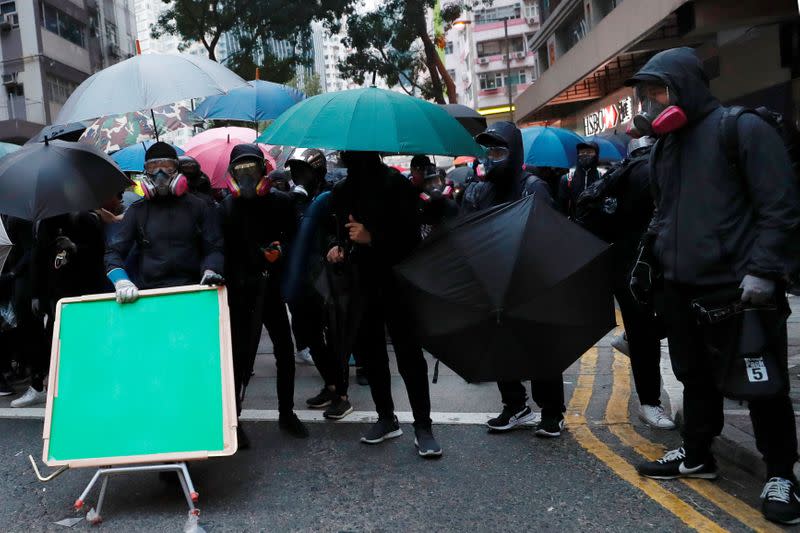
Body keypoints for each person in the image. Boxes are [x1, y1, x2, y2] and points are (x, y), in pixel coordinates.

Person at [626, 47, 800, 525]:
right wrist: (650, 260)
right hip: (681, 291)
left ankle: (781, 473)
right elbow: (664, 214)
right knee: (694, 379)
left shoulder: (740, 128)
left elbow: (780, 206)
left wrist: (764, 270)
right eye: (643, 96)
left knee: (764, 388)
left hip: (740, 294)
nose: (648, 104)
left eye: (657, 92)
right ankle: (697, 455)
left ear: (684, 87)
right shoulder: (665, 146)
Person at [326, 150, 442, 458]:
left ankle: (423, 426)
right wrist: (336, 247)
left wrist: (372, 237)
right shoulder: (341, 190)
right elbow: (335, 233)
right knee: (371, 354)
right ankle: (386, 418)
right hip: (360, 283)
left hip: (396, 283)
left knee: (408, 355)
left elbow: (411, 239)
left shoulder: (396, 185)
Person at [460, 121, 567, 438]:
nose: (492, 157)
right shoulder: (484, 189)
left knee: (540, 350)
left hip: (530, 282)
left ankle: (551, 411)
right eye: (488, 150)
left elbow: (549, 235)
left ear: (514, 152)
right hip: (495, 281)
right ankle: (515, 406)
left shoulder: (532, 186)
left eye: (498, 150)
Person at [573, 136, 675, 430]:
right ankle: (650, 402)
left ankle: (649, 398)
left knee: (646, 332)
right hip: (642, 267)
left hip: (628, 269)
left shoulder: (618, 176)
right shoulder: (647, 174)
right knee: (652, 333)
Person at [221, 143, 308, 443]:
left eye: (252, 169)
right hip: (241, 292)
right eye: (240, 171)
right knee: (240, 356)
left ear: (263, 171)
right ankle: (235, 420)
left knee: (284, 351)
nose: (247, 176)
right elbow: (224, 252)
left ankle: (287, 413)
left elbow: (295, 241)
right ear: (232, 174)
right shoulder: (226, 208)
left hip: (271, 289)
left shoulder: (281, 203)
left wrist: (279, 254)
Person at [285, 148, 353, 420]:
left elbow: (338, 231)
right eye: (293, 172)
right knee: (308, 332)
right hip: (304, 274)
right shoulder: (297, 198)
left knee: (334, 335)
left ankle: (343, 395)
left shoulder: (333, 196)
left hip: (329, 275)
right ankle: (331, 383)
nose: (296, 176)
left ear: (318, 171)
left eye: (302, 171)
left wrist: (337, 247)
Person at [409, 155, 458, 239]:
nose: (424, 172)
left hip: (444, 232)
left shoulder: (436, 183)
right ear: (413, 171)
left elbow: (451, 208)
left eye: (426, 168)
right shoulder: (409, 190)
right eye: (420, 169)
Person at [559, 141, 603, 219]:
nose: (585, 154)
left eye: (589, 152)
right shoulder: (567, 179)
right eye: (582, 152)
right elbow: (561, 209)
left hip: (596, 226)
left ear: (596, 155)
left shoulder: (603, 178)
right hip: (573, 225)